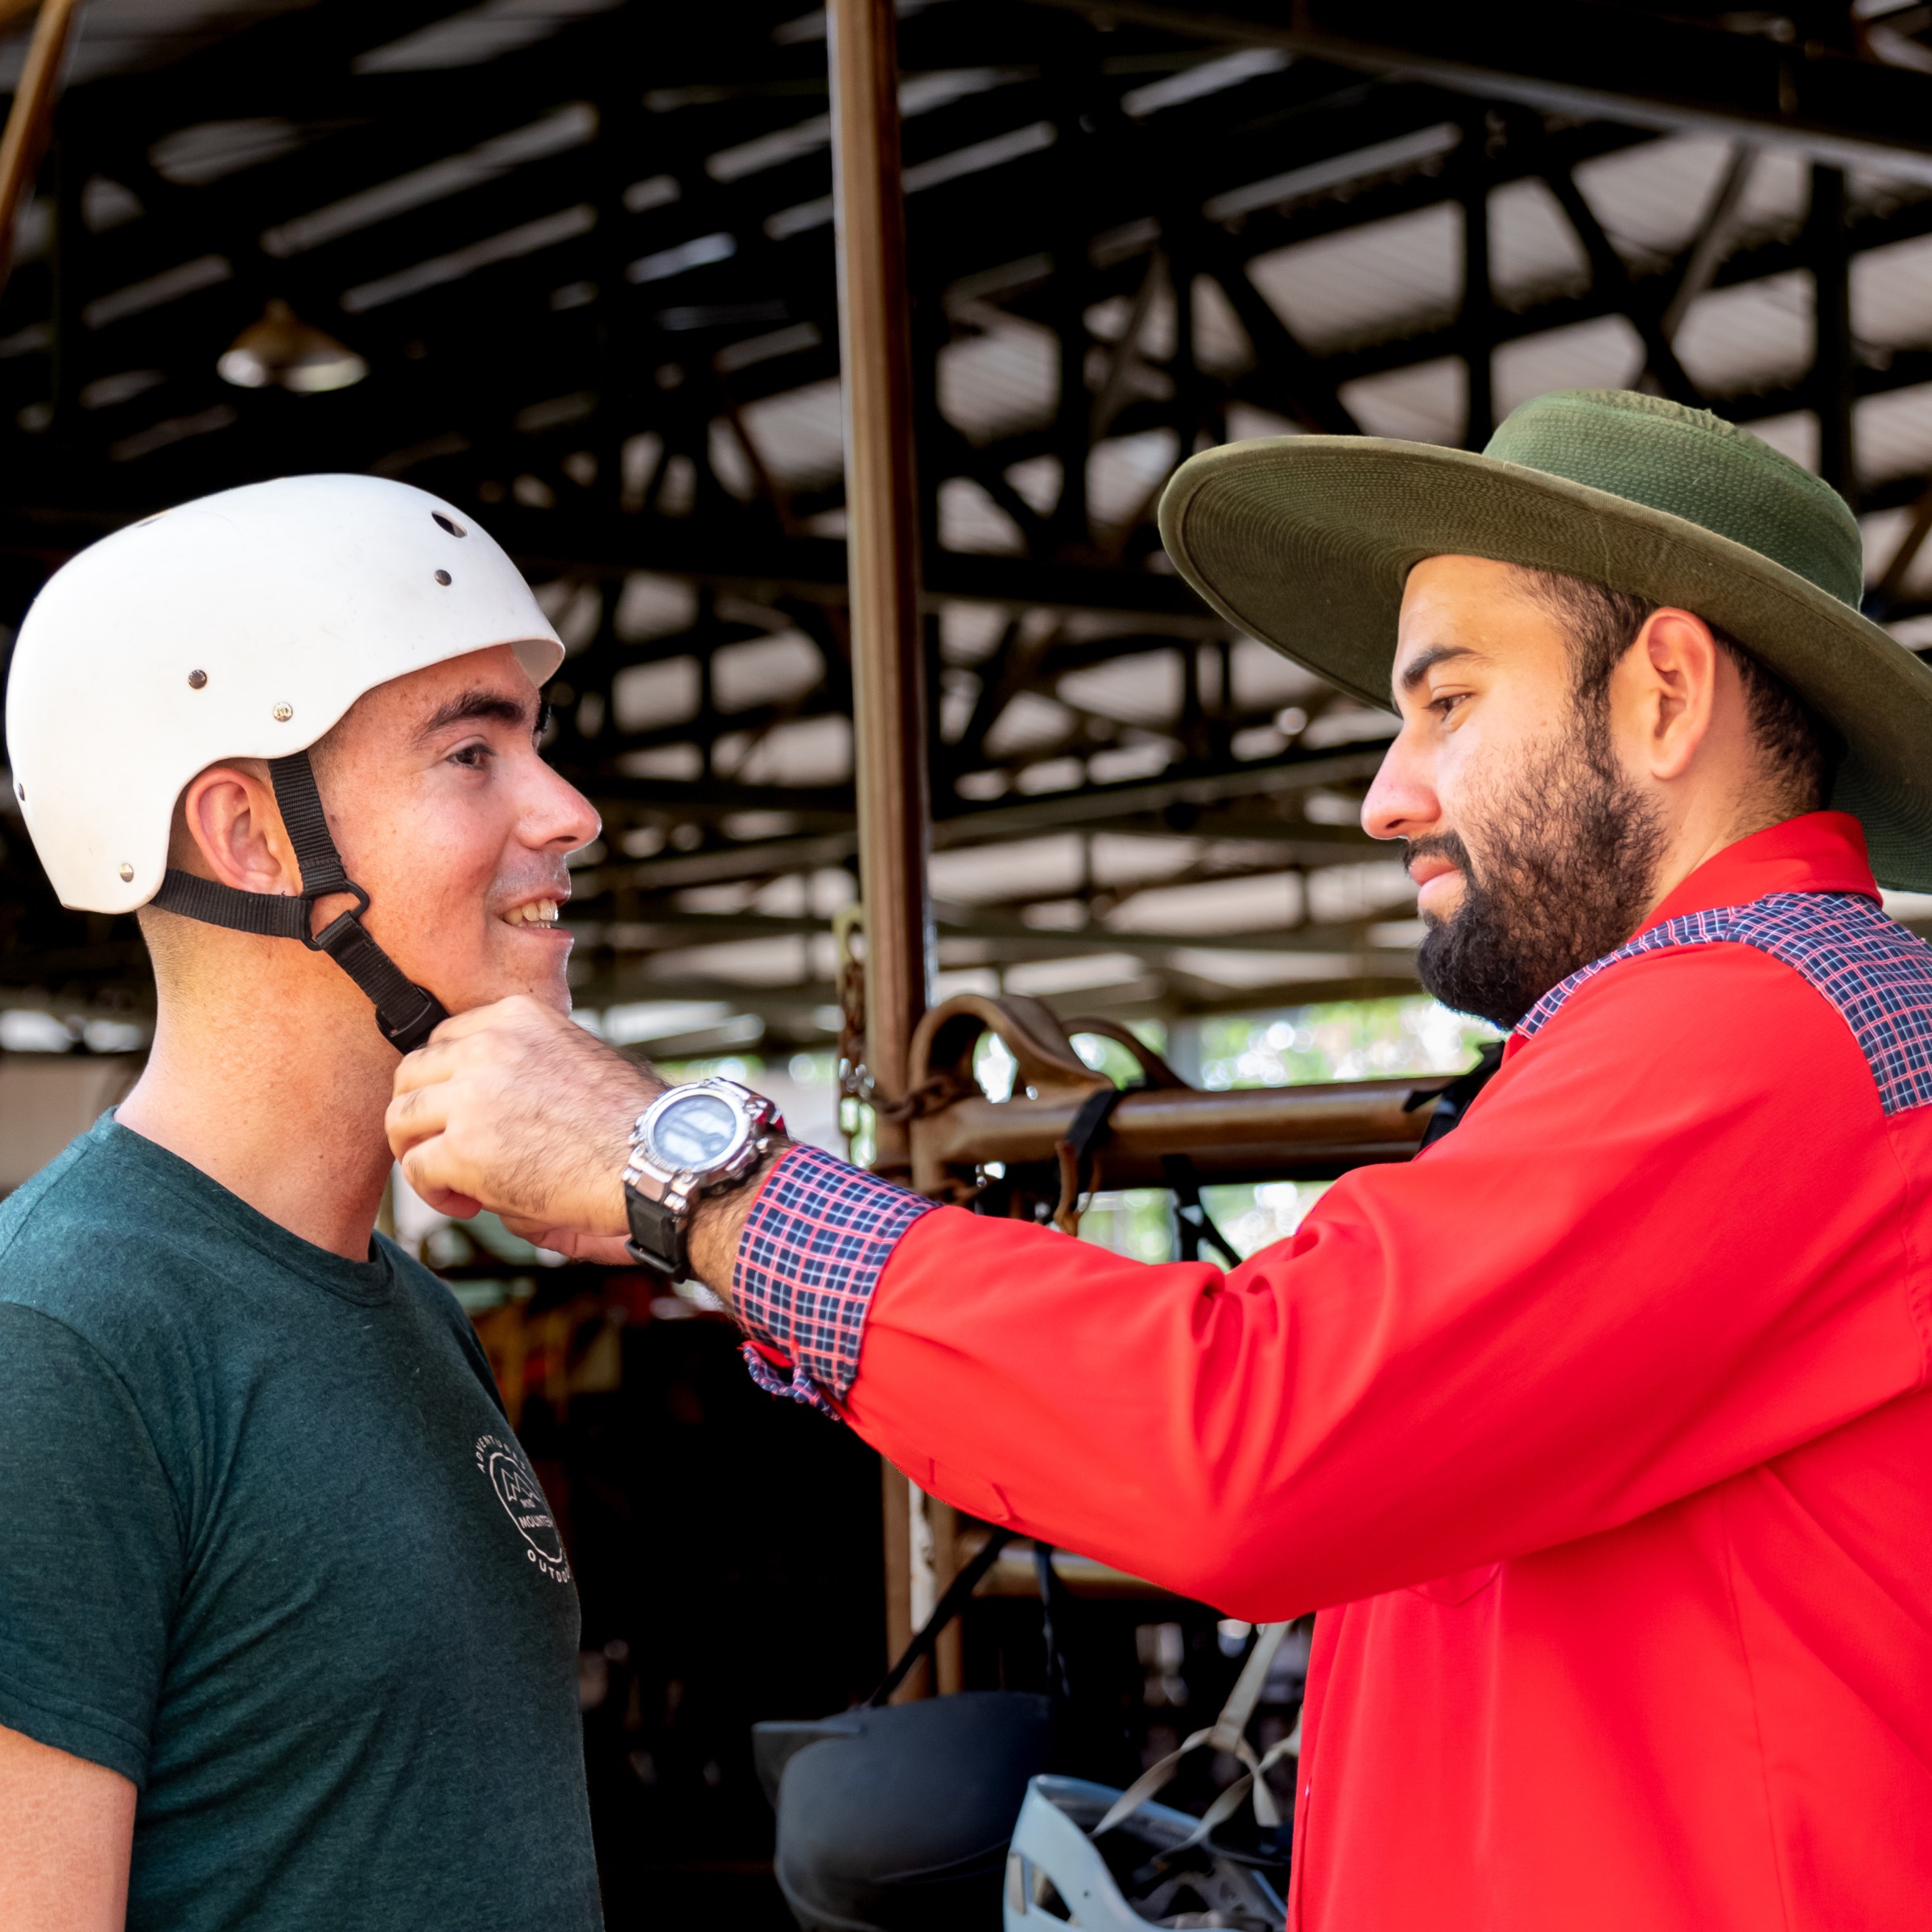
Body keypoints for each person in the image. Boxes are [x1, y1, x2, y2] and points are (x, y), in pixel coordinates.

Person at [388, 390, 1932, 1931]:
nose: (1389, 791)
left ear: (1665, 693)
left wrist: (698, 1182)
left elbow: (1251, 1434)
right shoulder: (1754, 1028)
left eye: (1448, 702)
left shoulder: (1763, 1031)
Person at [0, 476, 605, 1932]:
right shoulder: (61, 1342)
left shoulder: (412, 1310)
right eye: (472, 751)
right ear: (251, 839)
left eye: (538, 744)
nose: (569, 812)